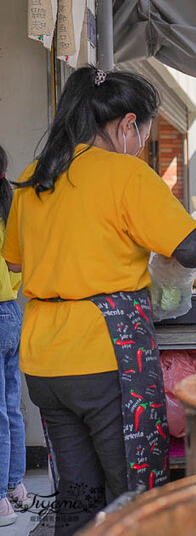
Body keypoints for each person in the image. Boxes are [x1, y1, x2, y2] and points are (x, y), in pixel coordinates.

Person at [2, 67, 196, 533]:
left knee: (78, 496)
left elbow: (14, 262)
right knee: (132, 495)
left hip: (45, 360)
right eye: (143, 134)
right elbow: (194, 248)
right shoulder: (126, 174)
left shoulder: (37, 176)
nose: (140, 145)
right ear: (127, 125)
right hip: (106, 353)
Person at [0, 146, 26, 527]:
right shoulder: (11, 205)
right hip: (12, 313)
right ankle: (17, 486)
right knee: (11, 403)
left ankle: (0, 498)